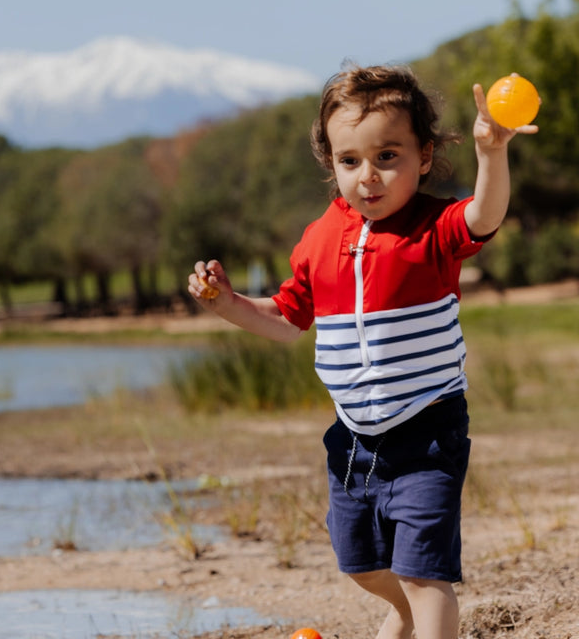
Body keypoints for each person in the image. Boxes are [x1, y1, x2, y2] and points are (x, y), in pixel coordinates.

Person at [189, 65, 537, 639]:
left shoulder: (434, 227)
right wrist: (227, 304)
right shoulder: (321, 237)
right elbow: (287, 318)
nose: (368, 177)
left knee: (425, 575)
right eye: (350, 161)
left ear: (424, 156)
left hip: (427, 431)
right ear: (331, 162)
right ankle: (401, 612)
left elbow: (485, 215)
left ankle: (421, 611)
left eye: (387, 157)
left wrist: (491, 152)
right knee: (362, 564)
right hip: (353, 439)